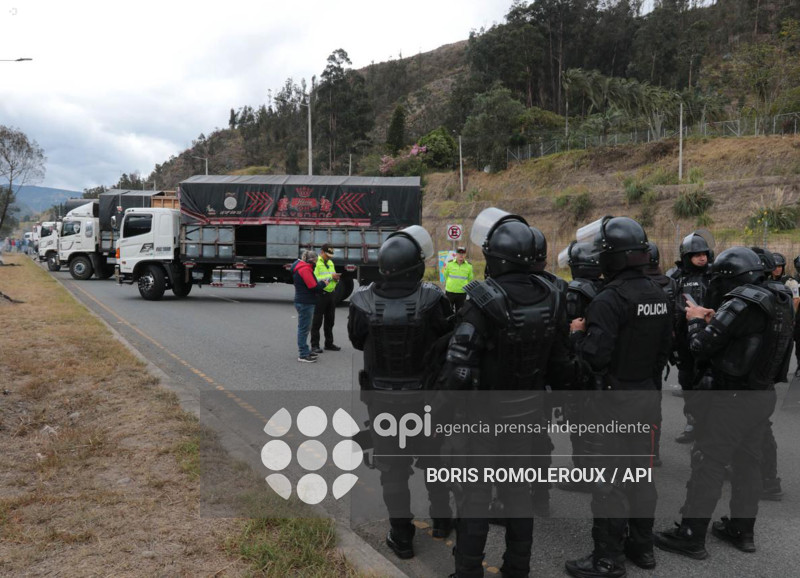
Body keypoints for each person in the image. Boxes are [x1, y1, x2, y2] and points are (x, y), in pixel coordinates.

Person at [442, 208, 574, 578]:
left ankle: (468, 571)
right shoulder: (555, 295)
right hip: (529, 416)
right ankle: (518, 568)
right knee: (518, 494)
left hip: (482, 419)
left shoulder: (483, 300)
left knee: (474, 498)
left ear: (495, 256)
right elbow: (562, 365)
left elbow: (458, 370)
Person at [654, 247, 793, 559]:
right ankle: (742, 530)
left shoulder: (740, 301)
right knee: (748, 463)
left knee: (709, 462)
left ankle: (690, 534)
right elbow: (750, 337)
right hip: (761, 394)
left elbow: (700, 346)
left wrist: (694, 320)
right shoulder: (780, 297)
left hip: (731, 397)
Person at [565, 216, 672, 578]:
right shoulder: (660, 293)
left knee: (607, 482)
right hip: (647, 397)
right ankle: (642, 548)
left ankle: (607, 560)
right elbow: (665, 351)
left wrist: (577, 335)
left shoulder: (609, 300)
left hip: (613, 401)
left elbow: (594, 356)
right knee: (641, 476)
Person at [348, 225, 454, 559]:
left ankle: (401, 533)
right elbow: (447, 339)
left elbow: (355, 339)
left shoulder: (362, 299)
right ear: (416, 264)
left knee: (392, 467)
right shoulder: (433, 298)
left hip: (381, 399)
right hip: (426, 399)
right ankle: (441, 519)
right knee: (434, 458)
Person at [667, 232, 714, 444]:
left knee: (708, 383)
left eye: (704, 253)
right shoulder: (675, 278)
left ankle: (710, 426)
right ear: (687, 256)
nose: (701, 258)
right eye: (696, 254)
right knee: (687, 381)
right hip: (684, 339)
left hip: (710, 337)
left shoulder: (715, 275)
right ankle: (692, 422)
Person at [644, 241, 679, 467]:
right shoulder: (670, 284)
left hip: (634, 355)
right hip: (660, 353)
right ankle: (652, 450)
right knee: (653, 405)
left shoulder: (631, 285)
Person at [291, 250, 331, 363]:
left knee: (304, 328)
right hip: (305, 302)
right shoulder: (305, 269)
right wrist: (324, 283)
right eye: (316, 260)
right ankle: (303, 354)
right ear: (312, 260)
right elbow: (313, 286)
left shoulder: (301, 267)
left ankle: (305, 351)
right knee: (304, 329)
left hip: (303, 301)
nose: (317, 263)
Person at [310, 243, 342, 353]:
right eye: (327, 255)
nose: (329, 257)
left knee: (330, 320)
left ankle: (329, 343)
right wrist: (330, 276)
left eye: (330, 256)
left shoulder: (330, 262)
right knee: (317, 321)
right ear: (322, 252)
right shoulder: (316, 263)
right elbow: (314, 278)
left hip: (331, 294)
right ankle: (315, 345)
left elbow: (332, 276)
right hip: (320, 294)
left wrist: (336, 279)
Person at [443, 246, 474, 313]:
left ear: (465, 255)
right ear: (456, 254)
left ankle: (458, 323)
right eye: (459, 253)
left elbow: (470, 278)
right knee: (447, 311)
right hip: (450, 292)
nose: (461, 255)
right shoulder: (449, 263)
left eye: (463, 253)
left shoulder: (469, 266)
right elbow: (445, 275)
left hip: (462, 293)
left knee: (460, 312)